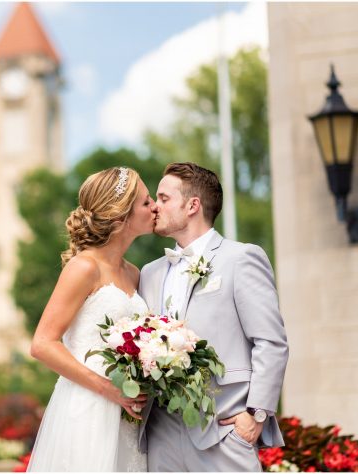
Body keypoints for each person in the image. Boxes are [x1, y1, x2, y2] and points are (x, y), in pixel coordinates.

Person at [138, 162, 288, 471]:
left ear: (193, 205)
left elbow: (271, 342)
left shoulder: (241, 258)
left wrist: (256, 414)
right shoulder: (149, 273)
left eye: (164, 198)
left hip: (223, 428)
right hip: (160, 432)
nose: (155, 206)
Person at [25, 167, 154, 471]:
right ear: (121, 217)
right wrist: (109, 389)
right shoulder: (84, 267)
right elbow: (42, 344)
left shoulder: (134, 273)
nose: (155, 207)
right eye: (146, 202)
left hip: (129, 413)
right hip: (89, 408)